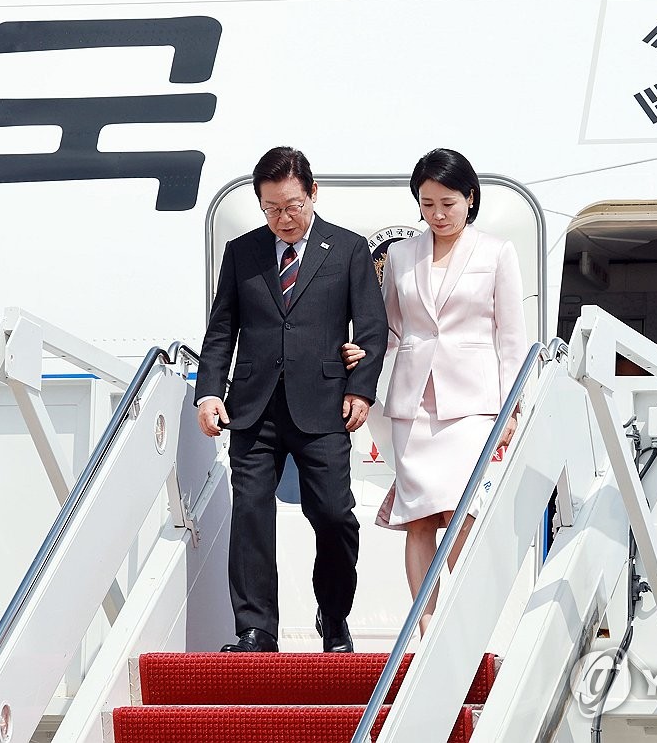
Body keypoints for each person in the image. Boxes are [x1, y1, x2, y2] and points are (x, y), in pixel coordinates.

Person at [195, 147, 388, 653]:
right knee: (251, 512)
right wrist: (209, 391)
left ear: (312, 193)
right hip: (253, 407)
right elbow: (222, 330)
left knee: (334, 514)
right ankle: (256, 630)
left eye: (292, 206)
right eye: (271, 208)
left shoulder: (348, 250)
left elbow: (372, 328)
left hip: (324, 405)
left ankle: (335, 615)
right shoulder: (242, 252)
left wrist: (361, 388)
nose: (283, 218)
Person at [343, 148, 526, 636]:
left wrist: (511, 408)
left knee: (462, 512)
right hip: (413, 404)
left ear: (470, 198)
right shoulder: (402, 255)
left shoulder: (497, 252)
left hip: (473, 406)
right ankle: (425, 626)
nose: (438, 214)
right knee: (419, 516)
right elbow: (389, 327)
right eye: (427, 204)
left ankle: (464, 625)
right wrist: (361, 355)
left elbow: (511, 338)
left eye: (448, 203)